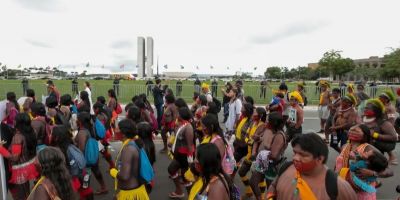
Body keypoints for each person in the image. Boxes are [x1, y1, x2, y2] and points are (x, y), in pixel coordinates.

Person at [266, 133, 357, 200]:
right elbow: (273, 186)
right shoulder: (286, 167)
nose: (295, 158)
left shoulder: (338, 186)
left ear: (319, 159)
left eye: (303, 155)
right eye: (295, 153)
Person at [336, 124, 393, 200]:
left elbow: (389, 171)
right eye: (351, 130)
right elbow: (339, 164)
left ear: (365, 135)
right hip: (344, 188)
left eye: (355, 131)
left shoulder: (369, 149)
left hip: (361, 192)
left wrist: (373, 173)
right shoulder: (345, 146)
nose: (352, 132)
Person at [0, 113, 38, 200]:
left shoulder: (17, 138)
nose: (13, 121)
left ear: (19, 123)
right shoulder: (32, 131)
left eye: (15, 120)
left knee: (22, 196)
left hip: (20, 170)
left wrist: (1, 149)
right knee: (26, 191)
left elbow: (15, 158)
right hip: (29, 165)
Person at [109, 119, 150, 200]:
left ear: (123, 134)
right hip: (133, 191)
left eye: (117, 128)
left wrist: (113, 172)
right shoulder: (133, 143)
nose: (115, 130)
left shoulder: (128, 149)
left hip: (130, 195)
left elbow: (124, 176)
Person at [250, 112, 287, 200]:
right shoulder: (270, 130)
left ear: (272, 123)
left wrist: (261, 154)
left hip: (272, 167)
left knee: (271, 191)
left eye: (268, 120)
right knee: (253, 182)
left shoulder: (279, 136)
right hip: (264, 163)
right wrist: (259, 139)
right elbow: (266, 141)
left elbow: (274, 155)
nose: (266, 122)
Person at [51, 125, 93, 200]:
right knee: (86, 190)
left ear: (56, 137)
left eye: (52, 133)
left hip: (73, 178)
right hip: (84, 173)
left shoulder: (58, 151)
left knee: (78, 194)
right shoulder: (71, 145)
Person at [75, 112, 108, 195]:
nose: (76, 120)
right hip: (94, 154)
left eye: (77, 119)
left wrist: (79, 162)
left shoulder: (82, 133)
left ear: (80, 121)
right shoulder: (91, 127)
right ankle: (103, 187)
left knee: (86, 176)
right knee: (96, 171)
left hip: (86, 158)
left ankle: (87, 192)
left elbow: (81, 149)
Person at [238, 107, 266, 199]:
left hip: (257, 155)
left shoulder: (262, 126)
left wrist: (251, 141)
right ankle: (249, 191)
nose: (253, 114)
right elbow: (246, 134)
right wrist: (248, 140)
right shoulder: (252, 123)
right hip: (250, 152)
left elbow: (259, 140)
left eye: (255, 113)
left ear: (260, 116)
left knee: (260, 178)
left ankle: (261, 196)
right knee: (242, 172)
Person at [167, 107, 194, 199]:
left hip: (184, 157)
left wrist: (190, 162)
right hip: (178, 156)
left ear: (182, 115)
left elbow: (190, 145)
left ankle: (191, 196)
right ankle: (179, 191)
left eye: (178, 113)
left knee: (185, 177)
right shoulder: (181, 124)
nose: (177, 115)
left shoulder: (188, 127)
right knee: (171, 169)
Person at [363, 99, 398, 165]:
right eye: (365, 108)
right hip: (365, 149)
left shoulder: (383, 122)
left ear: (376, 111)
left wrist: (375, 135)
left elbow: (394, 137)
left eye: (367, 108)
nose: (365, 110)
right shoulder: (363, 119)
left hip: (377, 147)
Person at [232, 103, 253, 178]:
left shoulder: (251, 121)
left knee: (234, 161)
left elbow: (248, 134)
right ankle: (232, 176)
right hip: (238, 144)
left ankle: (231, 177)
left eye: (243, 108)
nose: (241, 109)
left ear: (247, 110)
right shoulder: (244, 118)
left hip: (244, 146)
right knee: (234, 161)